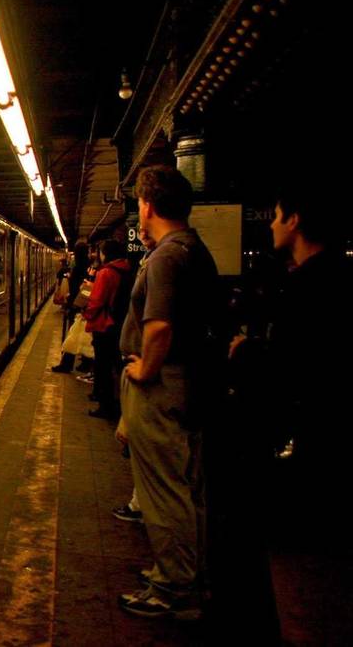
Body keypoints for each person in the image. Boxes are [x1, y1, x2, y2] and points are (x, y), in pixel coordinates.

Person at [224, 182, 352, 642]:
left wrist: (246, 353)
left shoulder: (309, 287)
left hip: (305, 443)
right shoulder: (335, 277)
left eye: (277, 215)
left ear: (295, 220)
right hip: (320, 440)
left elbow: (296, 366)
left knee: (297, 578)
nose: (272, 224)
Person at [114, 165, 221, 621]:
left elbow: (158, 327)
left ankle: (172, 587)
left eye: (139, 201)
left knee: (162, 492)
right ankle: (188, 575)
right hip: (192, 385)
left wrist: (143, 370)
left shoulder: (164, 258)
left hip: (163, 386)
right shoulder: (194, 250)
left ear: (149, 205)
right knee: (188, 490)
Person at [83, 239, 131, 419]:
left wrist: (87, 314)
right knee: (114, 365)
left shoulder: (106, 273)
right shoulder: (126, 269)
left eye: (101, 252)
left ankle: (105, 405)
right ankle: (116, 401)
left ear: (107, 253)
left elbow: (96, 301)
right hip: (119, 324)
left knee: (103, 365)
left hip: (104, 324)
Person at [52, 241, 90, 372]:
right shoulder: (89, 266)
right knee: (83, 335)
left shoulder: (78, 267)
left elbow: (77, 287)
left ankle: (66, 364)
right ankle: (85, 363)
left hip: (76, 304)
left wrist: (71, 300)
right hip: (83, 305)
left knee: (72, 335)